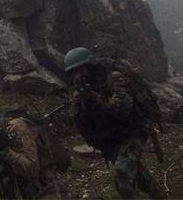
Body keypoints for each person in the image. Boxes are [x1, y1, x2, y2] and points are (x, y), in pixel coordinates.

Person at [64, 47, 166, 199]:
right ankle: (159, 195)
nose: (78, 75)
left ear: (90, 65)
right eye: (74, 71)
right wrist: (79, 103)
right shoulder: (80, 88)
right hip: (109, 138)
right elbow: (74, 121)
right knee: (135, 172)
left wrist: (94, 98)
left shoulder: (114, 77)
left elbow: (121, 111)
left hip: (132, 131)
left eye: (81, 69)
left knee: (122, 176)